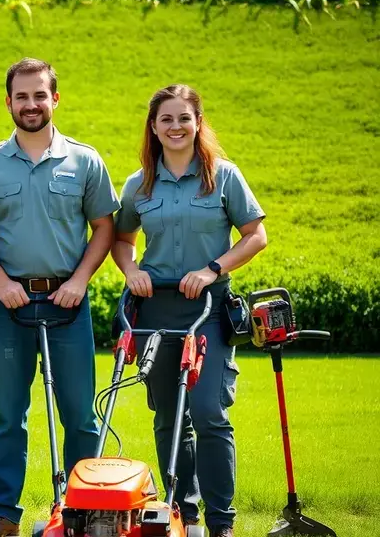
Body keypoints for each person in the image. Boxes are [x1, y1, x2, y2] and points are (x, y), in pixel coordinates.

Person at [0, 58, 119, 537]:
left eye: (39, 95)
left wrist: (80, 281)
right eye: (21, 96)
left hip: (68, 304)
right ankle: (4, 515)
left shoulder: (85, 160)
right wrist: (0, 281)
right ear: (8, 101)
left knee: (79, 413)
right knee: (9, 413)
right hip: (10, 305)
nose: (30, 104)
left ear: (55, 98)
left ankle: (83, 511)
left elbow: (105, 227)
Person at [112, 84, 268, 537]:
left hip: (207, 310)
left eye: (184, 118)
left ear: (198, 122)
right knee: (168, 414)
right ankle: (184, 510)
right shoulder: (137, 184)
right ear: (154, 127)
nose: (176, 127)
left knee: (208, 411)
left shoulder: (224, 175)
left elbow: (255, 235)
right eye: (166, 120)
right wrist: (131, 269)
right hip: (155, 311)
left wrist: (212, 269)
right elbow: (122, 241)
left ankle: (221, 521)